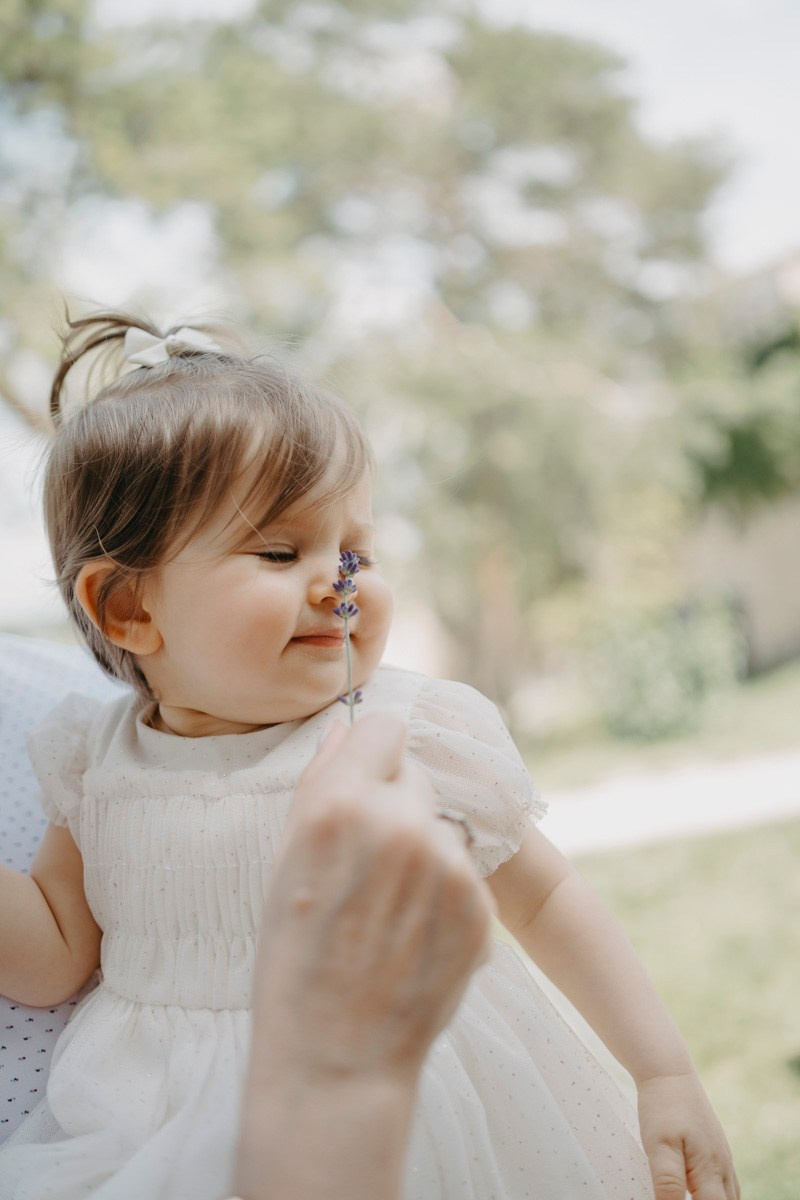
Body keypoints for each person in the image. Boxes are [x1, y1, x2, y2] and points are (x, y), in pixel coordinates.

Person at [0, 312, 739, 1200]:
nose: (336, 583)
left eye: (356, 551)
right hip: (165, 1123)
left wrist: (661, 1071)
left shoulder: (400, 732)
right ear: (127, 608)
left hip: (422, 1102)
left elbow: (543, 898)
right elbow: (52, 958)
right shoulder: (96, 764)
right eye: (281, 550)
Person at [231, 714, 495, 1200]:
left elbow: (544, 898)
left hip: (429, 1061)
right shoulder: (97, 757)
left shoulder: (416, 729)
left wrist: (649, 1072)